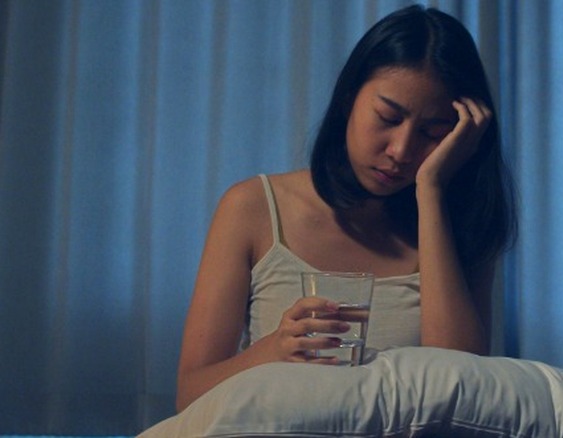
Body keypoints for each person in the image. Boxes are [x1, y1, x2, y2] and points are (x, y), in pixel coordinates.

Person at [175, 4, 516, 412]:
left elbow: (463, 384)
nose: (401, 151)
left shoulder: (458, 226)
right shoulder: (252, 207)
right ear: (348, 99)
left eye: (432, 133)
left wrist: (431, 189)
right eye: (388, 117)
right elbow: (190, 396)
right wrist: (272, 351)